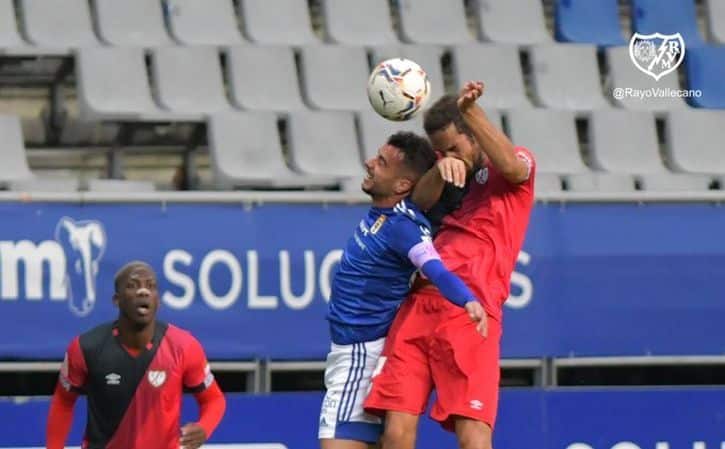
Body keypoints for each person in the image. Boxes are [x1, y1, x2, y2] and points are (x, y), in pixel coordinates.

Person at [363, 82, 536, 449]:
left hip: (471, 311)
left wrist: (471, 110)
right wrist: (443, 167)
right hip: (417, 305)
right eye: (440, 151)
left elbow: (512, 167)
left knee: (472, 435)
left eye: (454, 147)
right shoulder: (453, 180)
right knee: (394, 431)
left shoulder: (512, 169)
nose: (448, 156)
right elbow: (417, 204)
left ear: (474, 135)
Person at [319, 132, 487, 449]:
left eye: (381, 162)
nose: (369, 163)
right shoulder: (390, 215)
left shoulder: (403, 228)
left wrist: (466, 299)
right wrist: (440, 168)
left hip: (359, 355)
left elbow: (433, 266)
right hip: (353, 353)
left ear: (401, 186)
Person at [46, 261, 226, 449]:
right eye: (133, 286)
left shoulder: (184, 346)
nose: (143, 292)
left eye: (151, 286)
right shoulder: (86, 347)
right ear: (117, 299)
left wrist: (204, 428)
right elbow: (63, 402)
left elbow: (214, 399)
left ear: (158, 300)